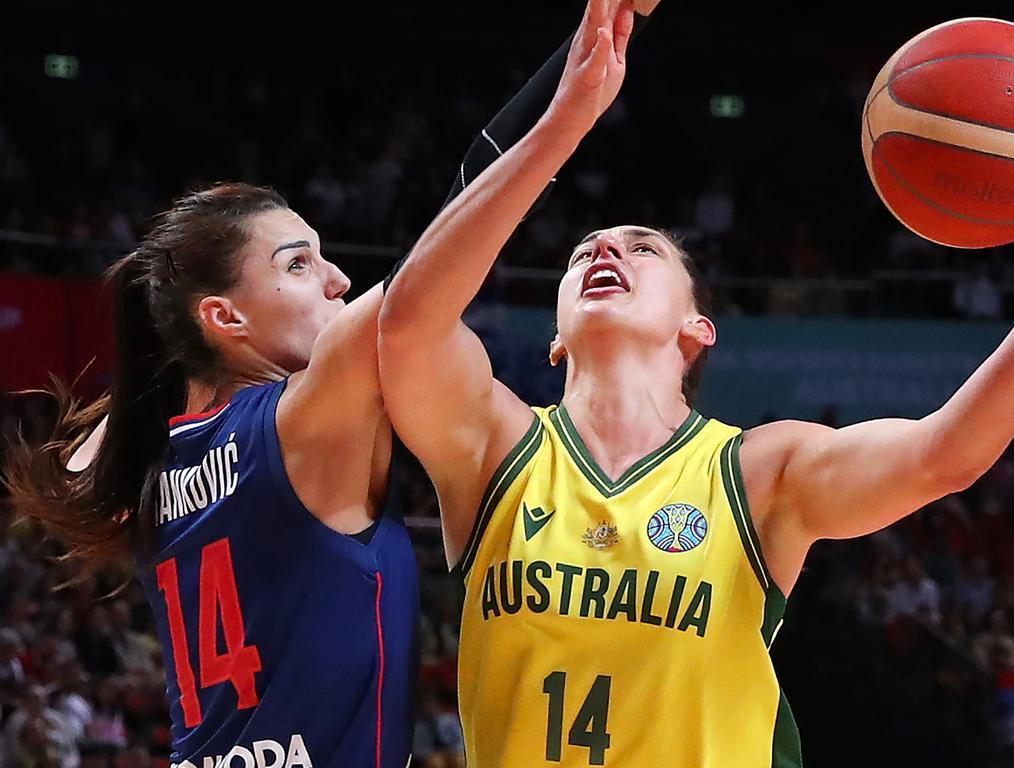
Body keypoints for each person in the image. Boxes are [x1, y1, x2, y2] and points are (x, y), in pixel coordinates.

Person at [3, 4, 662, 764]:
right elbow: (440, 249)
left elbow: (102, 440)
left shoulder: (146, 461)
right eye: (297, 264)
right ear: (224, 316)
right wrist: (570, 112)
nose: (338, 279)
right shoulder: (300, 421)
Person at [377, 1, 1014, 765]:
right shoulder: (493, 447)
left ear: (698, 329)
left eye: (643, 248)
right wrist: (564, 125)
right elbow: (407, 324)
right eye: (584, 248)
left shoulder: (757, 472)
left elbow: (942, 453)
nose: (604, 248)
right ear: (553, 338)